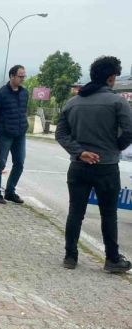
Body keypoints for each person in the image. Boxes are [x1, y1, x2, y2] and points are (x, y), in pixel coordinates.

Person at [56, 55, 132, 272]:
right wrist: (114, 148)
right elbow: (129, 132)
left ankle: (70, 257)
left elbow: (61, 134)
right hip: (106, 168)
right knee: (108, 213)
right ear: (111, 78)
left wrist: (80, 153)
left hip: (78, 167)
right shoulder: (118, 102)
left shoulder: (72, 103)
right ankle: (112, 259)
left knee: (75, 212)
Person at [0, 65, 30, 204]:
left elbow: (23, 112)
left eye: (24, 76)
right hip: (5, 134)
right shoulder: (0, 94)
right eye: (20, 76)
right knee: (0, 163)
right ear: (12, 76)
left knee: (19, 163)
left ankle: (10, 192)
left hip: (20, 134)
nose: (22, 79)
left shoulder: (24, 93)